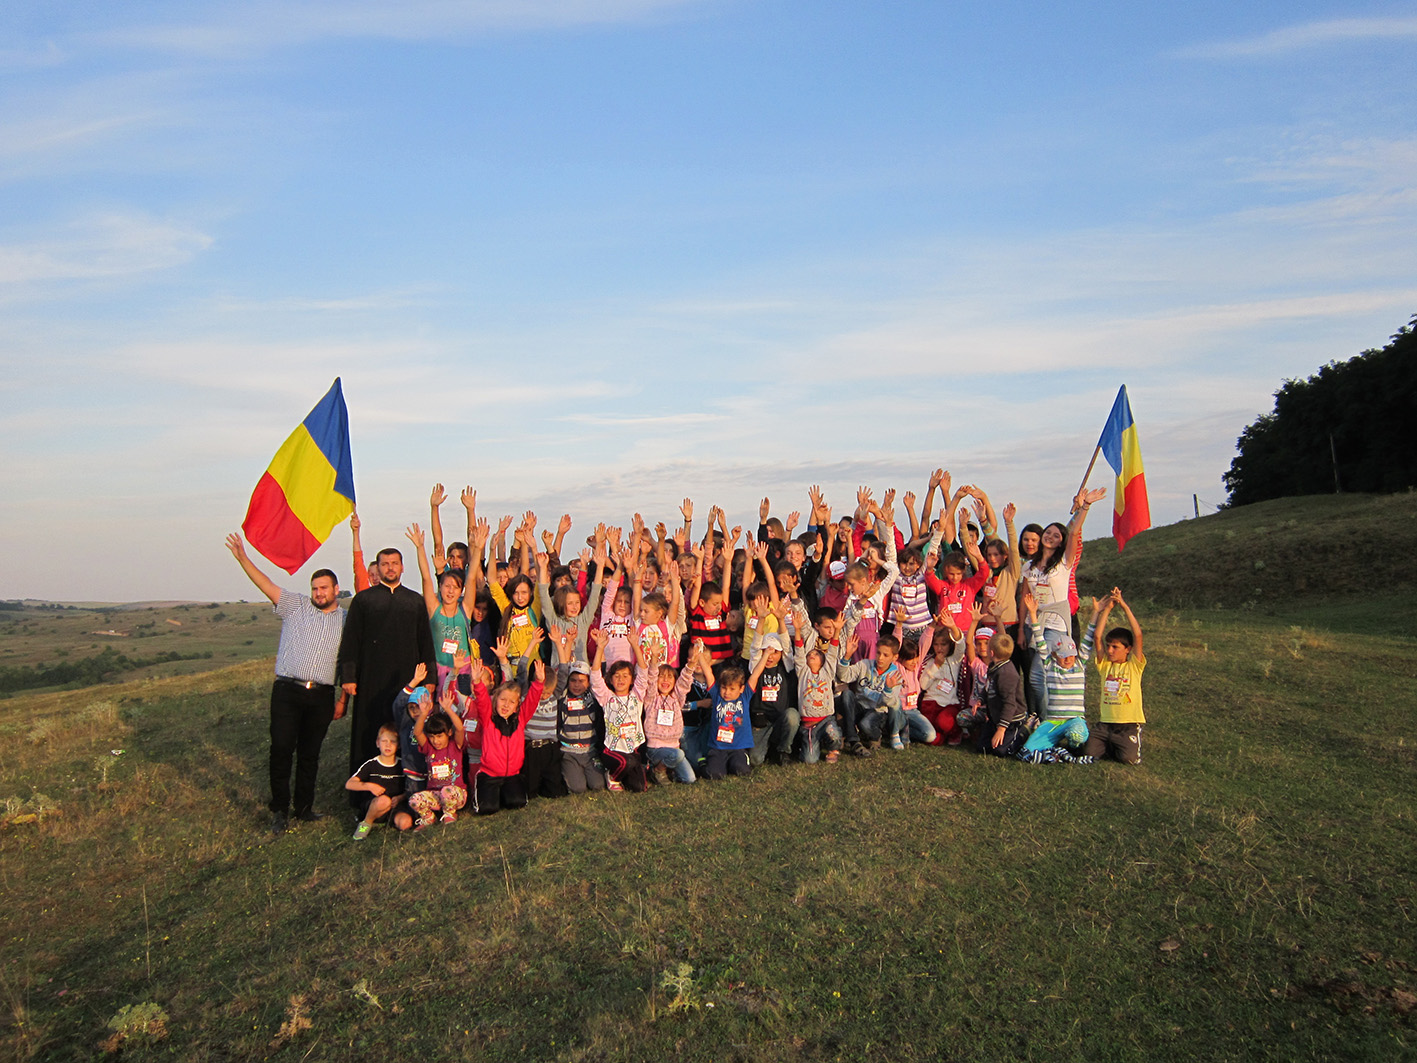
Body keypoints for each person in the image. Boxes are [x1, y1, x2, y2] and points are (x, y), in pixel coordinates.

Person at [225, 532, 346, 835]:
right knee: (281, 748)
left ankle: (303, 808)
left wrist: (344, 697)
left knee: (310, 753)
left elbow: (350, 661)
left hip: (321, 695)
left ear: (336, 590)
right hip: (287, 691)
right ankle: (279, 809)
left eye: (324, 588)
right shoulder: (296, 605)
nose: (319, 593)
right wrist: (242, 558)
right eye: (315, 588)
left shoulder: (345, 619)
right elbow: (266, 584)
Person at [336, 546, 438, 798]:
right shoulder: (364, 600)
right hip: (371, 680)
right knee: (368, 732)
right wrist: (348, 677)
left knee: (406, 734)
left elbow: (426, 642)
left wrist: (431, 680)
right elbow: (351, 642)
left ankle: (407, 794)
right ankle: (364, 795)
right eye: (385, 564)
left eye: (394, 563)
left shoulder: (414, 601)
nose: (390, 568)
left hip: (407, 681)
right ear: (378, 568)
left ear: (402, 567)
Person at [1082, 588, 1147, 765]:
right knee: (1088, 754)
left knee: (1128, 760)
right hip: (1105, 724)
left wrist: (1124, 606)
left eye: (1115, 647)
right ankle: (1108, 744)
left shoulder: (1134, 666)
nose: (1109, 650)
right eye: (1108, 646)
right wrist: (1107, 609)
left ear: (1128, 649)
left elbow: (1138, 635)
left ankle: (1125, 744)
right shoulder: (1105, 666)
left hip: (1127, 725)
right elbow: (1097, 637)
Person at [346, 724, 412, 838]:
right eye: (384, 741)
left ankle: (386, 821)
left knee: (406, 823)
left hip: (395, 806)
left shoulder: (403, 764)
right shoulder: (371, 764)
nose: (388, 745)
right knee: (383, 801)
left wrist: (401, 797)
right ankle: (367, 822)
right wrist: (369, 786)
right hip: (375, 804)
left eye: (393, 741)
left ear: (399, 745)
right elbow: (349, 784)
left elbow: (411, 787)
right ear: (377, 743)